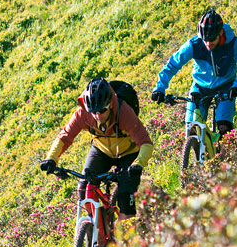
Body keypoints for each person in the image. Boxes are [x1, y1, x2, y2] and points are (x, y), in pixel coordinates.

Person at [39, 77, 154, 217]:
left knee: (125, 201)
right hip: (101, 151)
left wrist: (138, 164)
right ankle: (96, 227)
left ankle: (125, 233)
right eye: (93, 111)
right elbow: (65, 136)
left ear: (111, 104)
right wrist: (51, 158)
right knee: (83, 190)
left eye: (102, 110)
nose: (98, 116)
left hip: (128, 154)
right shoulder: (83, 113)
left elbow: (145, 143)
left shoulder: (124, 112)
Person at [149, 8, 237, 139]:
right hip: (200, 87)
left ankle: (227, 155)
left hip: (226, 86)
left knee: (224, 128)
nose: (208, 44)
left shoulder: (234, 44)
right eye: (205, 40)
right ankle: (196, 155)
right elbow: (172, 65)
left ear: (220, 33)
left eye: (212, 40)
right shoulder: (194, 44)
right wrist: (159, 89)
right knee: (191, 128)